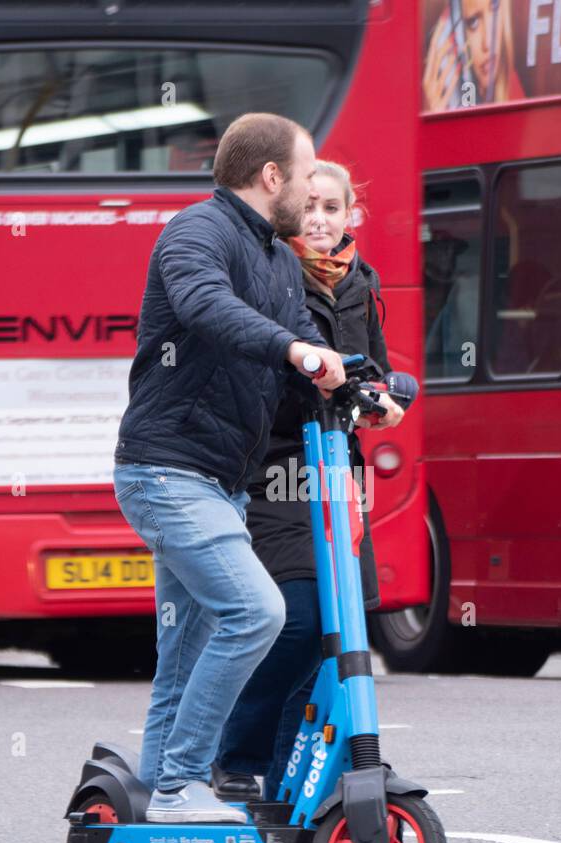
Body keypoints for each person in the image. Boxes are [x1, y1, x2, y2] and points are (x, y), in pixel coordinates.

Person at [111, 112, 345, 843]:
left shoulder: (279, 260)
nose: (317, 189)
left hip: (220, 483)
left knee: (180, 664)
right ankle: (179, 786)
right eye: (307, 173)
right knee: (257, 611)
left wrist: (377, 386)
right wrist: (293, 349)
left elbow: (305, 343)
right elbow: (210, 308)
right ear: (270, 176)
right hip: (167, 470)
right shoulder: (195, 234)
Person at [212, 160, 404, 805]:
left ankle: (299, 770)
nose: (320, 220)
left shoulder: (360, 282)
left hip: (335, 472)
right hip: (278, 469)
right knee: (297, 620)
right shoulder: (272, 274)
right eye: (310, 207)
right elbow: (261, 364)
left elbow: (371, 364)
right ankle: (235, 757)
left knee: (341, 629)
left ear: (354, 213)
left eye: (333, 208)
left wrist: (385, 392)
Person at [422, 0, 522, 112]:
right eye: (473, 22)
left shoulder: (510, 85)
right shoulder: (432, 101)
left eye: (495, 7)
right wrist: (435, 123)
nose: (488, 43)